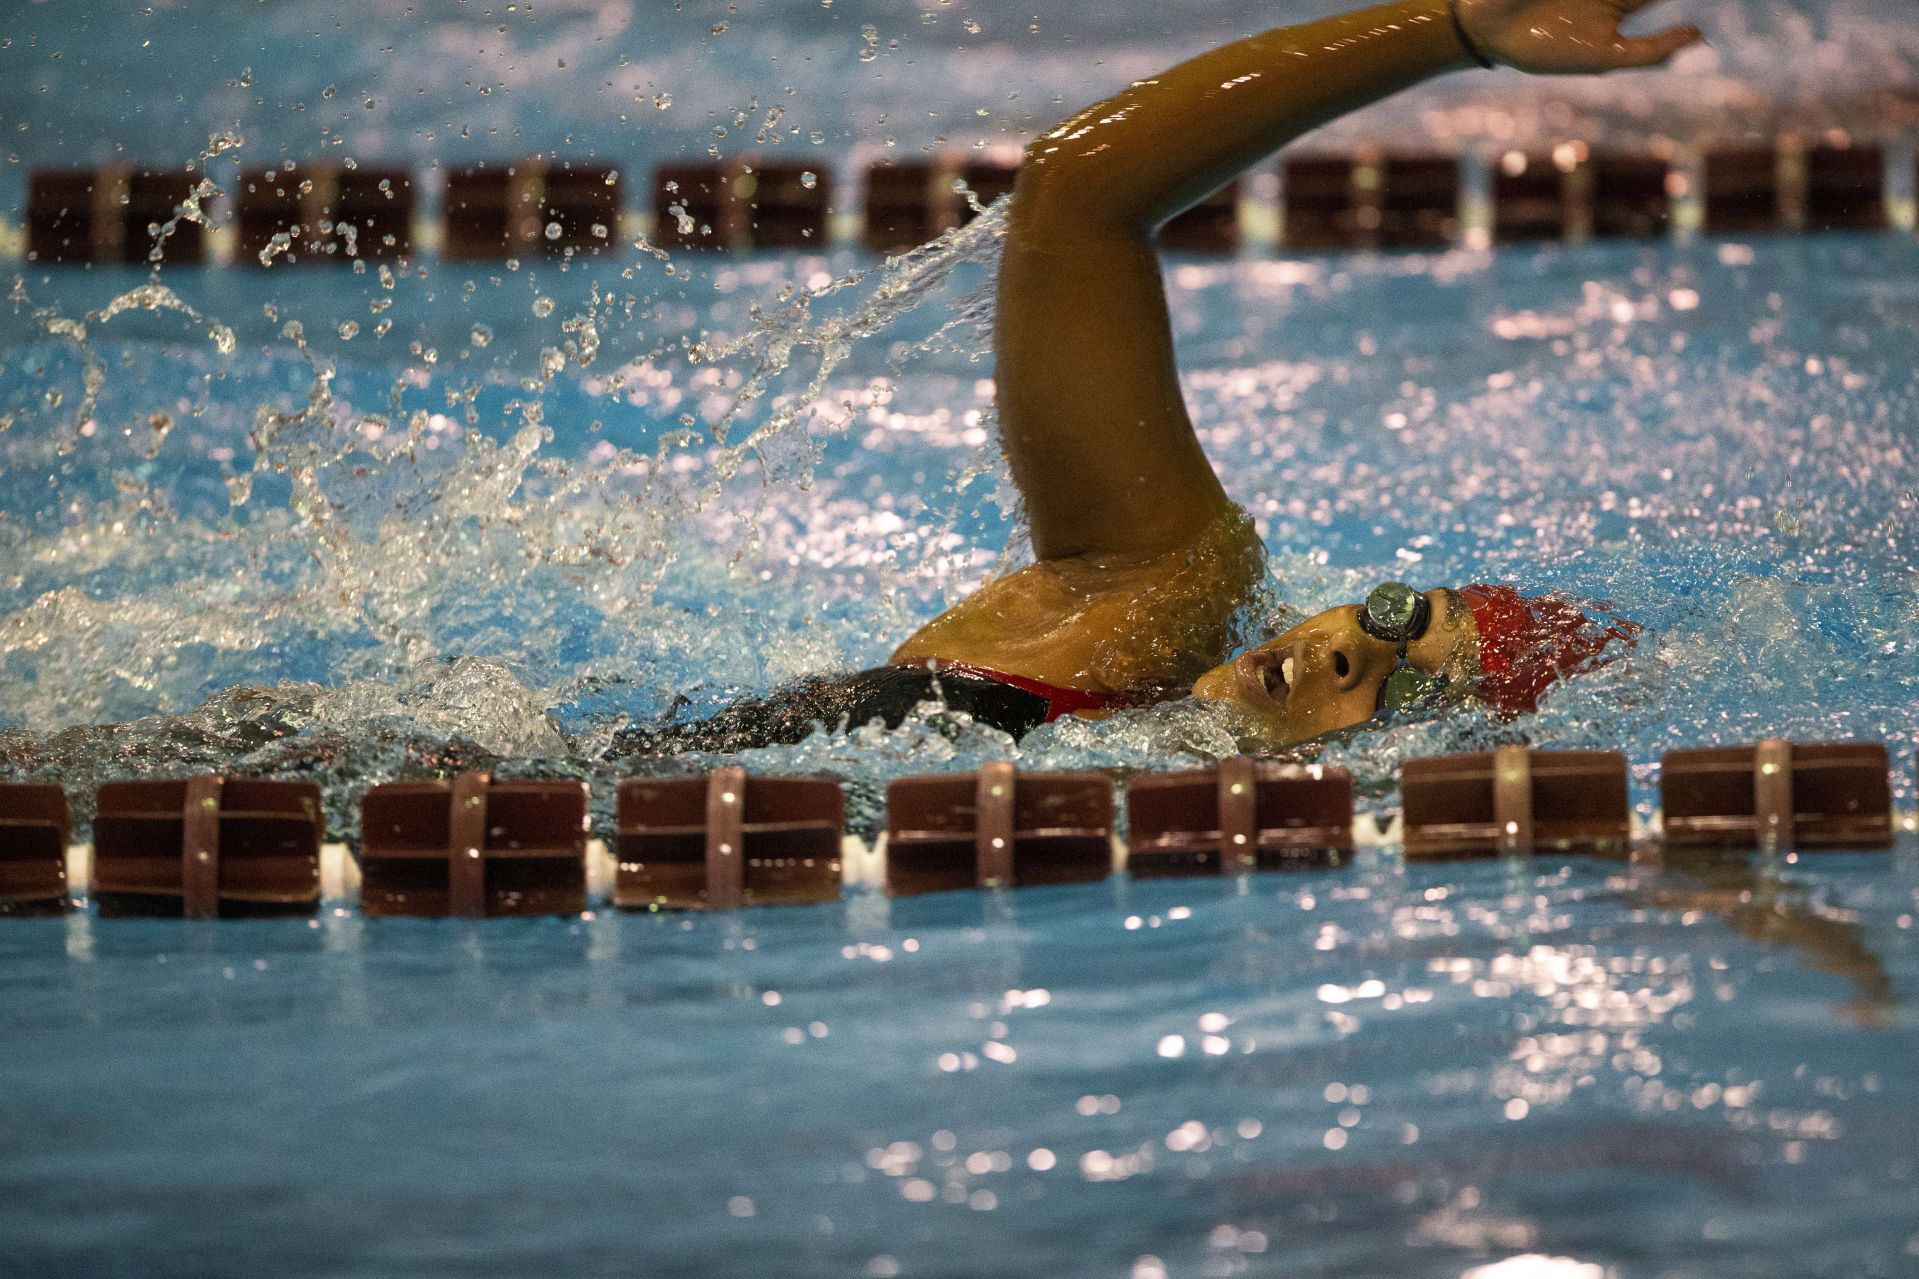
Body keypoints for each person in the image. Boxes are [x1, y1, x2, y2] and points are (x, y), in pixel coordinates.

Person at [623, 0, 1689, 756]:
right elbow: (1079, 191)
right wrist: (1451, 28)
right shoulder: (1154, 605)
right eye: (1385, 617)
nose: (1336, 654)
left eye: (1405, 687)